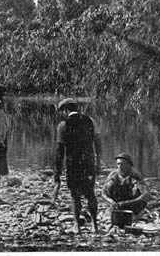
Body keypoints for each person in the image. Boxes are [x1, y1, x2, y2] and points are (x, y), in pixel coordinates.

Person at [54, 98, 102, 234]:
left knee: (74, 194)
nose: (62, 115)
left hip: (73, 163)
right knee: (90, 193)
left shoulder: (63, 126)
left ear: (66, 110)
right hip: (88, 161)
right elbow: (98, 143)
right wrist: (98, 162)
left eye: (62, 112)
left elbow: (59, 151)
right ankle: (94, 225)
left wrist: (57, 172)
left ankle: (77, 226)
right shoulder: (90, 121)